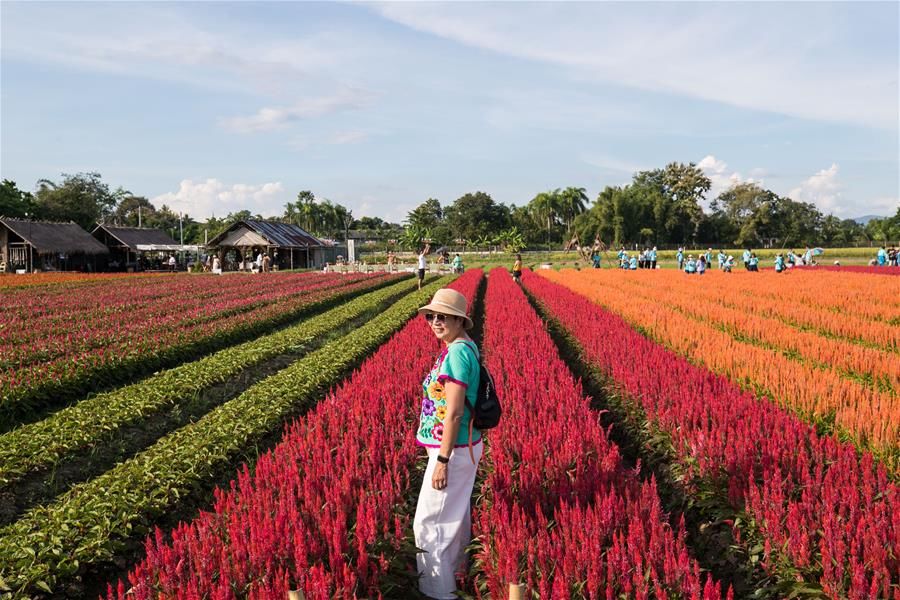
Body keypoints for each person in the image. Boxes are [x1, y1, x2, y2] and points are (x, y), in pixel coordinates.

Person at [413, 288, 482, 600]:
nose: (435, 321)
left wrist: (441, 461)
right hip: (461, 448)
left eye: (443, 316)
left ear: (459, 320)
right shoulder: (464, 347)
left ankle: (439, 593)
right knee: (453, 518)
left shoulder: (456, 354)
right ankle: (456, 578)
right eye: (432, 316)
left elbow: (453, 413)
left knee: (429, 525)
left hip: (451, 452)